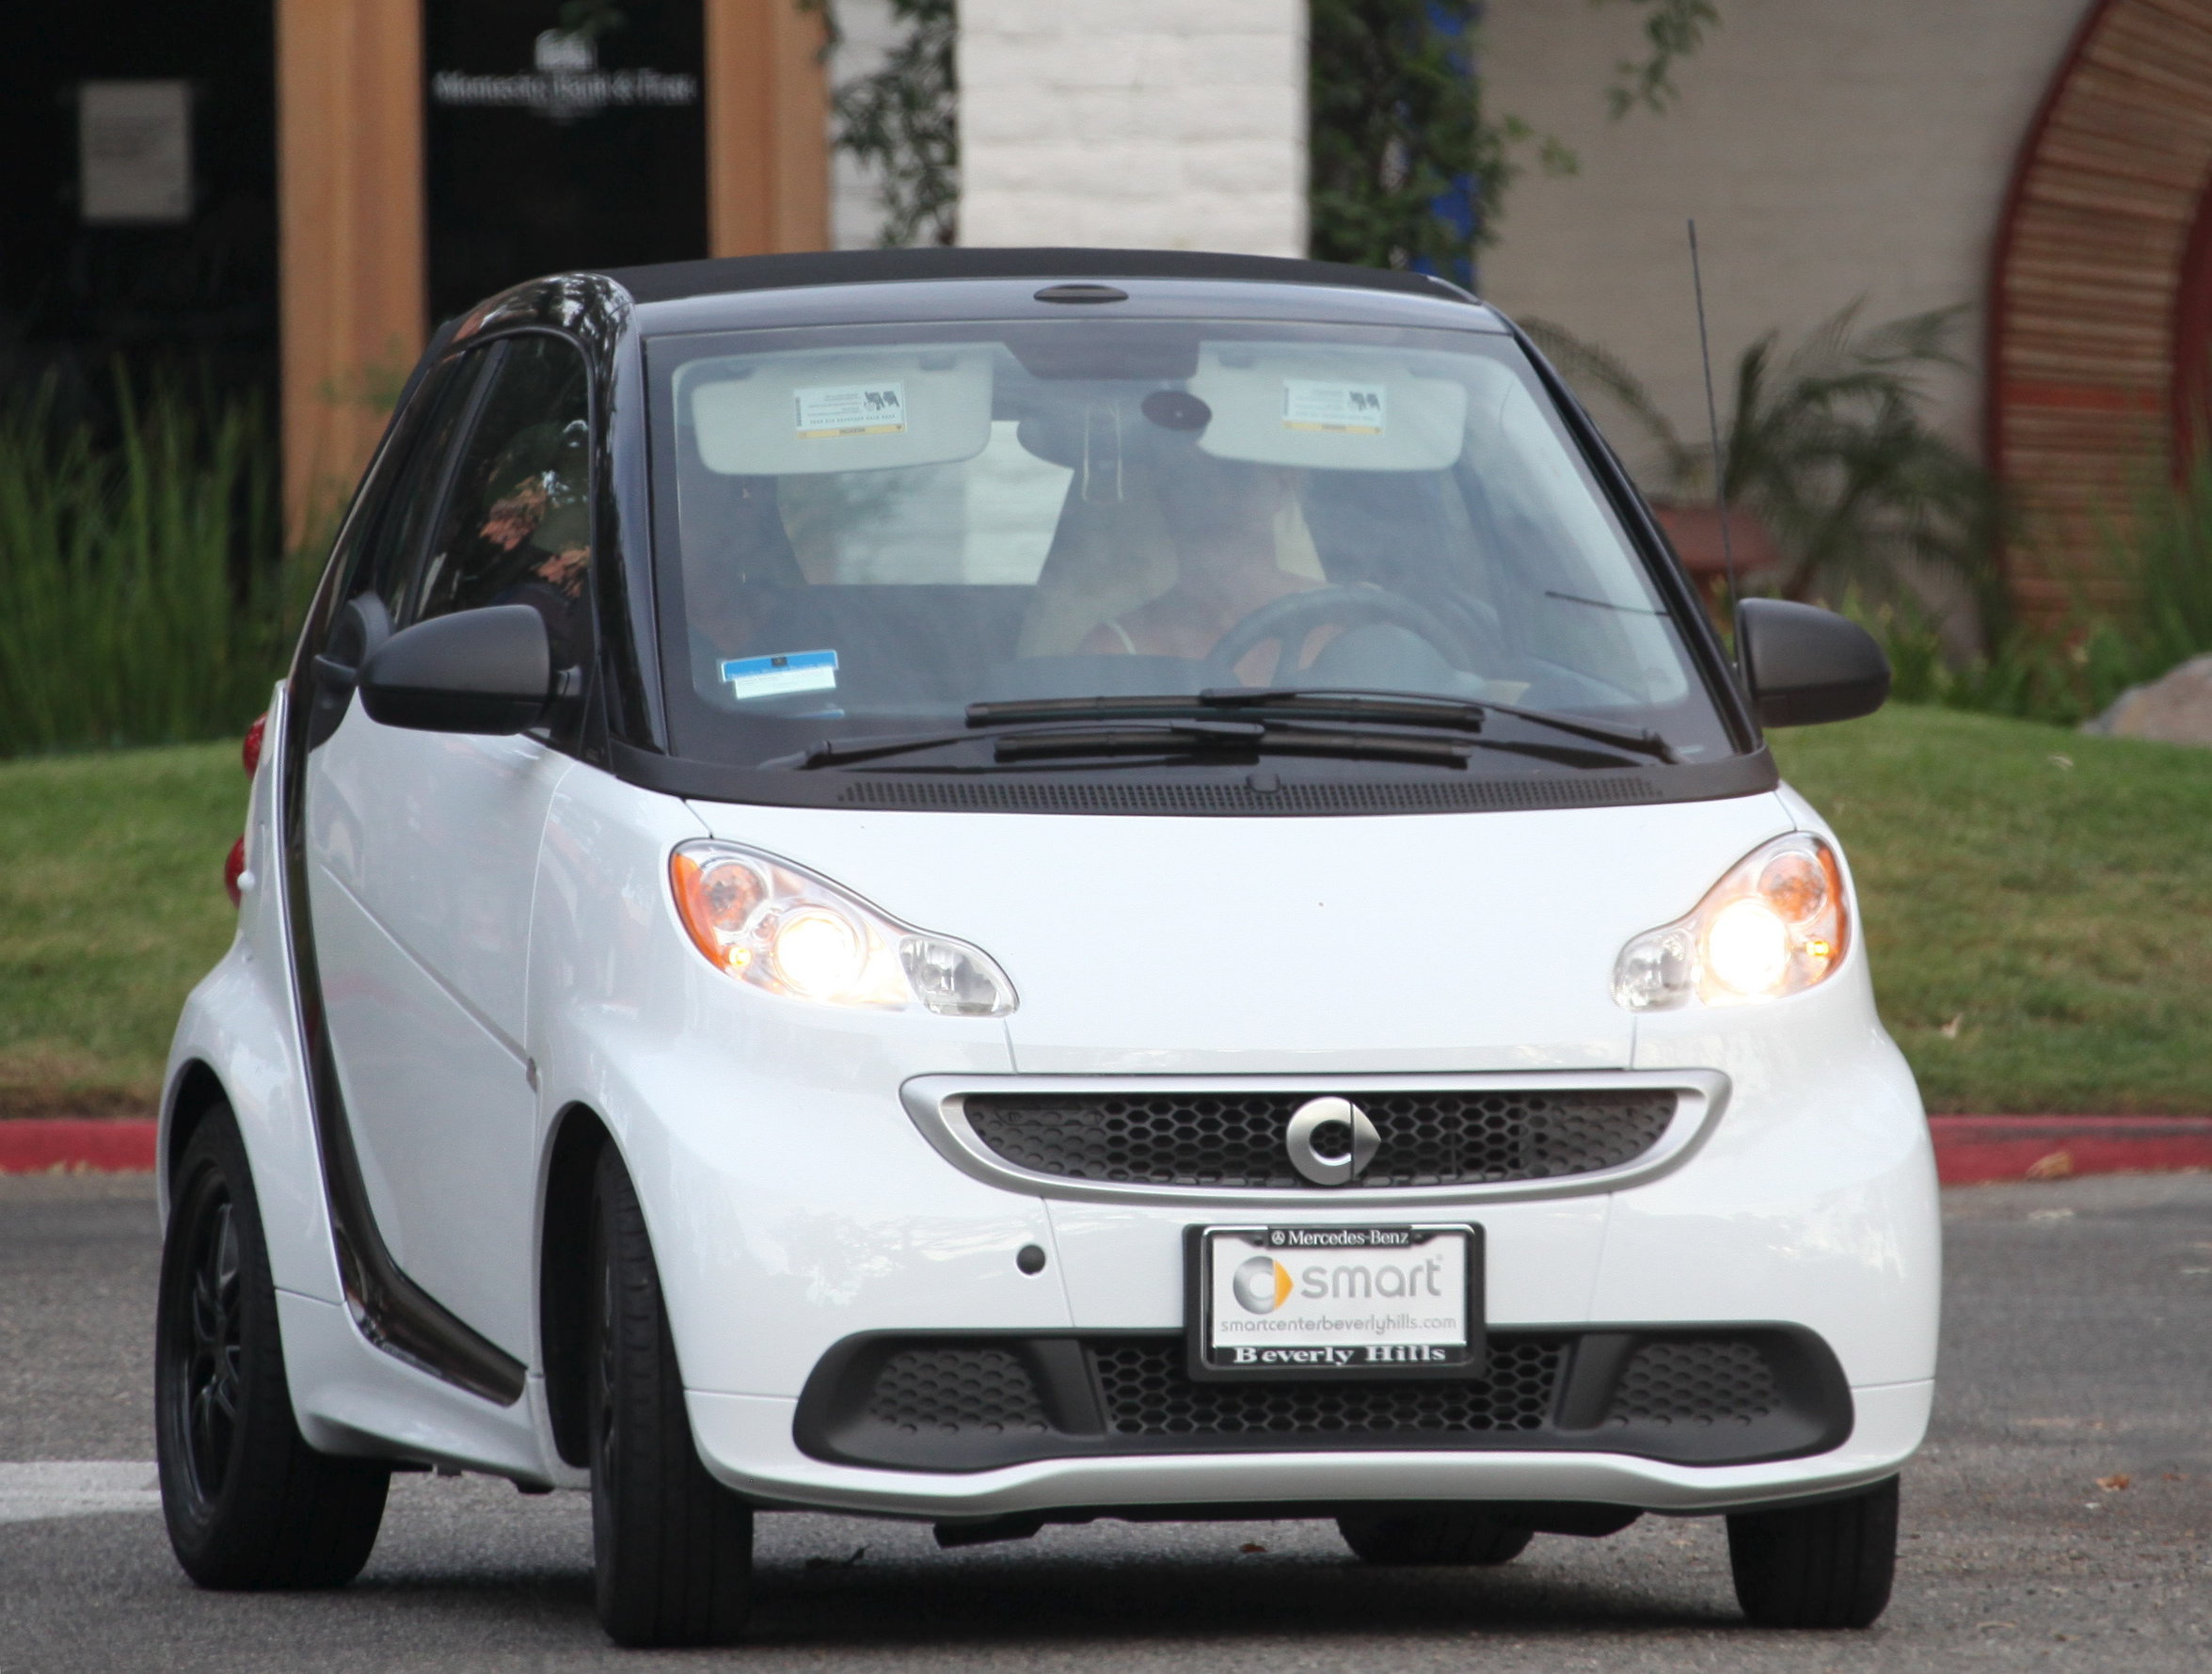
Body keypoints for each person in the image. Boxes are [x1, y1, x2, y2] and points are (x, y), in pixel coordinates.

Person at [1078, 449, 1324, 679]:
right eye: (1186, 480)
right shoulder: (1114, 651)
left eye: (1235, 474)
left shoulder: (1352, 618)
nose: (1216, 499)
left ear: (1281, 487)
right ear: (1163, 498)